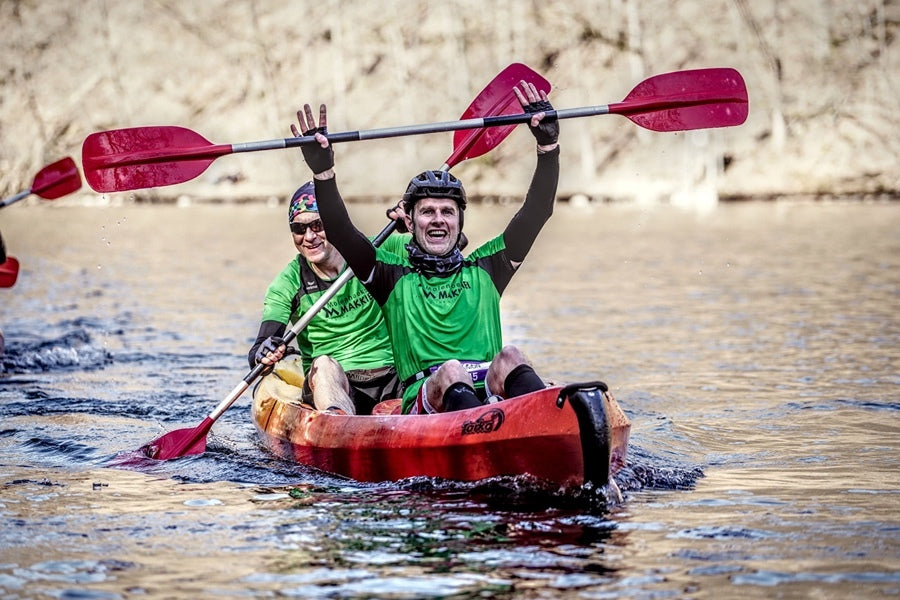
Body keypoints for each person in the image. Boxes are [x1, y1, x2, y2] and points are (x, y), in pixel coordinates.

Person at [291, 80, 560, 414]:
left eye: (447, 212)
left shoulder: (488, 267)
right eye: (427, 212)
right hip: (427, 402)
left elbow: (537, 211)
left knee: (511, 356)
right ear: (411, 221)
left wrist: (548, 148)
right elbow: (341, 231)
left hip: (489, 399)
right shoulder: (391, 276)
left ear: (460, 222)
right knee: (450, 371)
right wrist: (323, 173)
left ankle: (549, 418)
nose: (438, 220)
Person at [248, 182, 408, 415]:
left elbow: (454, 246)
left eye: (318, 225)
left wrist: (418, 222)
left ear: (334, 225)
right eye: (299, 229)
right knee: (323, 364)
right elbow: (258, 350)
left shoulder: (379, 250)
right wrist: (265, 353)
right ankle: (339, 424)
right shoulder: (288, 283)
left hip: (394, 376)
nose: (309, 237)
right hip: (334, 384)